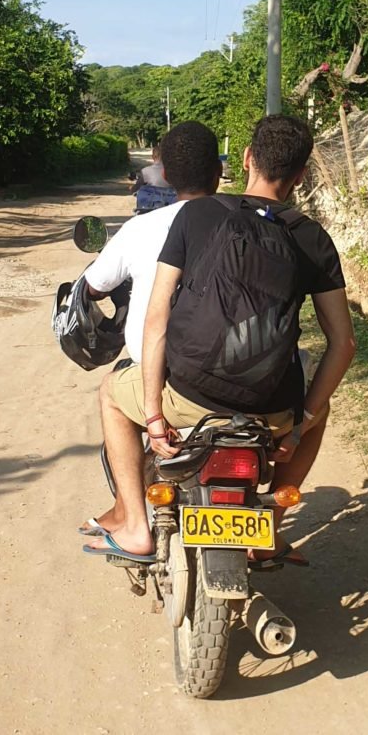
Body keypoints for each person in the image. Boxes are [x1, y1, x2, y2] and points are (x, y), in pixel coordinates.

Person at [86, 114, 356, 563]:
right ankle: (267, 529)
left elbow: (157, 322)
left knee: (112, 396)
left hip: (190, 395)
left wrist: (154, 417)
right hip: (272, 410)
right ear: (302, 174)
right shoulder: (311, 237)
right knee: (321, 408)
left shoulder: (199, 215)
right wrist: (301, 420)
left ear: (247, 158)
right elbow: (343, 345)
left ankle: (135, 526)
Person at [76, 121, 221, 538]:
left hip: (175, 386)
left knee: (112, 393)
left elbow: (96, 283)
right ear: (219, 171)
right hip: (250, 377)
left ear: (167, 175)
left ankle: (134, 521)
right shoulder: (249, 222)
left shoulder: (143, 228)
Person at [129, 145, 177, 213]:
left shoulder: (145, 171)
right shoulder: (174, 171)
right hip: (171, 206)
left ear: (153, 157)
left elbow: (137, 188)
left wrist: (132, 189)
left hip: (152, 206)